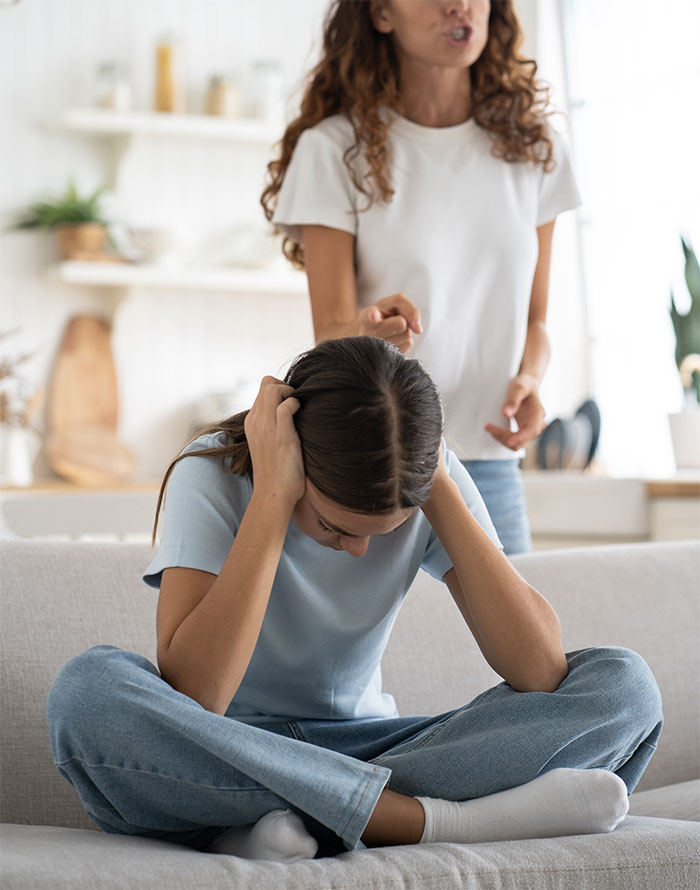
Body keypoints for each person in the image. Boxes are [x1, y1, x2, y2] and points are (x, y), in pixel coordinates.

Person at [46, 337, 661, 861]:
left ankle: (254, 828)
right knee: (88, 695)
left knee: (623, 687)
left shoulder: (422, 480)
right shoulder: (210, 474)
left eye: (380, 532)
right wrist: (272, 500)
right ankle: (437, 823)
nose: (359, 552)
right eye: (335, 527)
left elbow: (540, 669)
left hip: (376, 749)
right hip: (226, 745)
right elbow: (195, 697)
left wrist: (435, 478)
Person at [262, 0, 582, 555]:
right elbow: (329, 336)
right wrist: (366, 328)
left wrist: (529, 380)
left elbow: (535, 321)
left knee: (519, 644)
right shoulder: (333, 150)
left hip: (491, 469)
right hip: (373, 467)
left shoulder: (536, 150)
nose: (458, 5)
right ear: (382, 15)